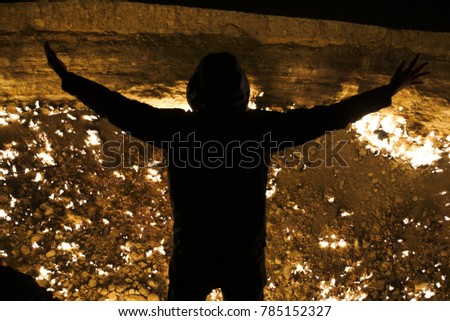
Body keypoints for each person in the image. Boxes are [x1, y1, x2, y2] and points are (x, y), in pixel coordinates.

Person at [44, 41, 428, 300]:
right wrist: (386, 92)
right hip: (242, 260)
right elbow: (328, 118)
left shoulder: (178, 130)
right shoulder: (259, 131)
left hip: (192, 256)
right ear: (241, 92)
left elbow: (119, 108)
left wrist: (68, 79)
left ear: (197, 92)